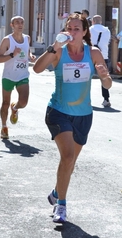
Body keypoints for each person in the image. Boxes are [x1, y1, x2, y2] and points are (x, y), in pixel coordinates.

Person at [33, 13, 112, 224]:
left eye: (77, 29)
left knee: (70, 162)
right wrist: (53, 47)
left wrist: (105, 76)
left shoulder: (93, 53)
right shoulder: (59, 52)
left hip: (84, 115)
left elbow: (108, 85)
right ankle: (61, 206)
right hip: (59, 112)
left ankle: (57, 192)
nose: (73, 32)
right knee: (67, 157)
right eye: (70, 28)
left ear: (85, 32)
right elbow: (37, 69)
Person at [0, 16, 36, 139]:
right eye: (17, 22)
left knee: (23, 102)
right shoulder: (7, 40)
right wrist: (13, 54)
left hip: (22, 75)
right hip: (9, 76)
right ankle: (4, 127)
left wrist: (31, 56)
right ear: (11, 25)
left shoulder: (27, 38)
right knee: (5, 102)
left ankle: (15, 107)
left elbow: (27, 52)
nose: (20, 24)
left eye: (22, 22)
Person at [90, 14, 111, 107]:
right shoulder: (107, 30)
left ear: (93, 21)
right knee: (104, 77)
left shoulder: (90, 29)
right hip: (104, 56)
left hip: (91, 55)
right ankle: (106, 99)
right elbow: (108, 42)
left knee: (86, 78)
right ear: (101, 21)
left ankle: (85, 98)